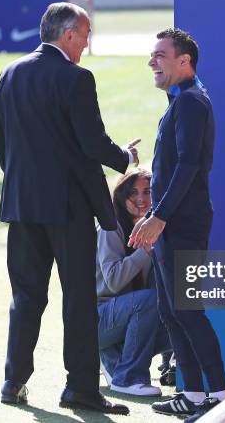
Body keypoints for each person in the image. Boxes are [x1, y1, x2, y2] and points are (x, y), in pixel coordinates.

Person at [0, 2, 140, 415]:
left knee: (25, 295)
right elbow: (92, 142)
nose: (87, 42)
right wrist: (126, 159)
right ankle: (80, 388)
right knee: (78, 299)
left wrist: (24, 186)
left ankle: (13, 380)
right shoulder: (76, 78)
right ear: (68, 34)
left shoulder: (9, 74)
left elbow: (4, 146)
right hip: (69, 208)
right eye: (86, 34)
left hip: (22, 205)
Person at [129, 28, 225, 421]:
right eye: (151, 55)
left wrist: (158, 217)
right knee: (171, 311)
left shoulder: (191, 102)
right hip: (172, 225)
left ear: (184, 61)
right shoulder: (181, 100)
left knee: (187, 310)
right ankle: (191, 394)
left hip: (182, 225)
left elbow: (189, 165)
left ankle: (222, 398)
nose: (151, 62)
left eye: (160, 55)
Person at [96, 168, 172, 396]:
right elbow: (114, 282)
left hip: (130, 316)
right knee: (150, 300)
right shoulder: (110, 227)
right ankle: (128, 377)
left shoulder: (155, 227)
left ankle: (115, 360)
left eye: (147, 192)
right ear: (121, 197)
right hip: (97, 319)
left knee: (181, 316)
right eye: (133, 193)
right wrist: (144, 249)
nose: (141, 199)